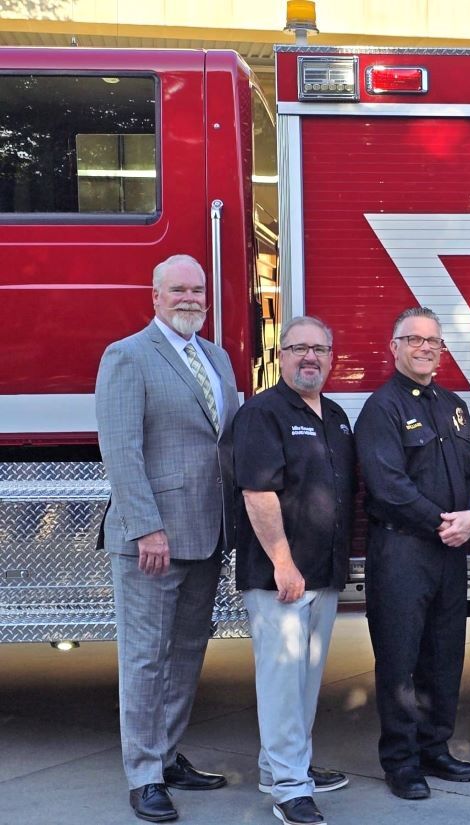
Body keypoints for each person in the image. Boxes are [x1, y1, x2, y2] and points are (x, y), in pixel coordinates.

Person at [95, 253, 237, 823]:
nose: (190, 298)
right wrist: (147, 526)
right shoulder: (127, 356)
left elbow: (222, 444)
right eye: (177, 289)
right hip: (152, 541)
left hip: (206, 534)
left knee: (185, 654)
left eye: (198, 290)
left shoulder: (218, 357)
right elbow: (121, 451)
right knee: (145, 659)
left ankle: (167, 755)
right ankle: (143, 774)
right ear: (155, 296)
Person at [355, 307, 470, 801]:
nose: (426, 348)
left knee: (444, 656)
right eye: (415, 340)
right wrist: (443, 522)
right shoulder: (382, 408)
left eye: (434, 341)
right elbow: (388, 486)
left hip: (450, 552)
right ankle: (401, 761)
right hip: (403, 551)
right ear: (395, 348)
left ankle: (435, 748)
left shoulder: (454, 405)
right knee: (400, 660)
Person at [230, 316, 353, 825]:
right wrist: (283, 563)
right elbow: (258, 492)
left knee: (303, 683)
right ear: (280, 357)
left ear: (332, 357)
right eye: (299, 348)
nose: (310, 358)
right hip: (280, 576)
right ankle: (289, 788)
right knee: (283, 684)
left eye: (319, 349)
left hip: (321, 574)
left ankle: (282, 765)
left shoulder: (337, 415)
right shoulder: (263, 413)